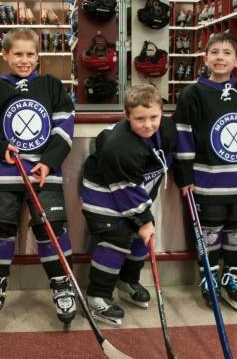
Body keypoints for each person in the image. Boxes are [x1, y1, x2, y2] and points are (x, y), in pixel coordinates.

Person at [0, 28, 76, 328]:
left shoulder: (51, 86)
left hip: (43, 176)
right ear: (4, 55)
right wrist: (0, 148)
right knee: (0, 230)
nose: (24, 60)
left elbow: (65, 125)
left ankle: (62, 284)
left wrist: (49, 162)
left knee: (51, 230)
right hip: (5, 174)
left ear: (39, 56)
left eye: (30, 54)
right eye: (18, 54)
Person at [173, 32, 237, 311]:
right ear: (205, 59)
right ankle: (210, 275)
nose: (220, 57)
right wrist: (186, 176)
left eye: (227, 53)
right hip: (206, 183)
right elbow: (183, 135)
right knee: (209, 232)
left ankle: (233, 277)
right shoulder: (192, 94)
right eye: (214, 52)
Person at [80, 84, 176, 326]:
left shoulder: (167, 129)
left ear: (162, 112)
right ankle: (97, 295)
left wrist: (143, 220)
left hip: (131, 192)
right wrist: (142, 219)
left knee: (141, 239)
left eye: (154, 117)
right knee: (116, 239)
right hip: (101, 192)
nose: (148, 124)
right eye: (139, 119)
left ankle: (126, 281)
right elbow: (125, 189)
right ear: (127, 116)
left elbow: (164, 162)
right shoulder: (120, 147)